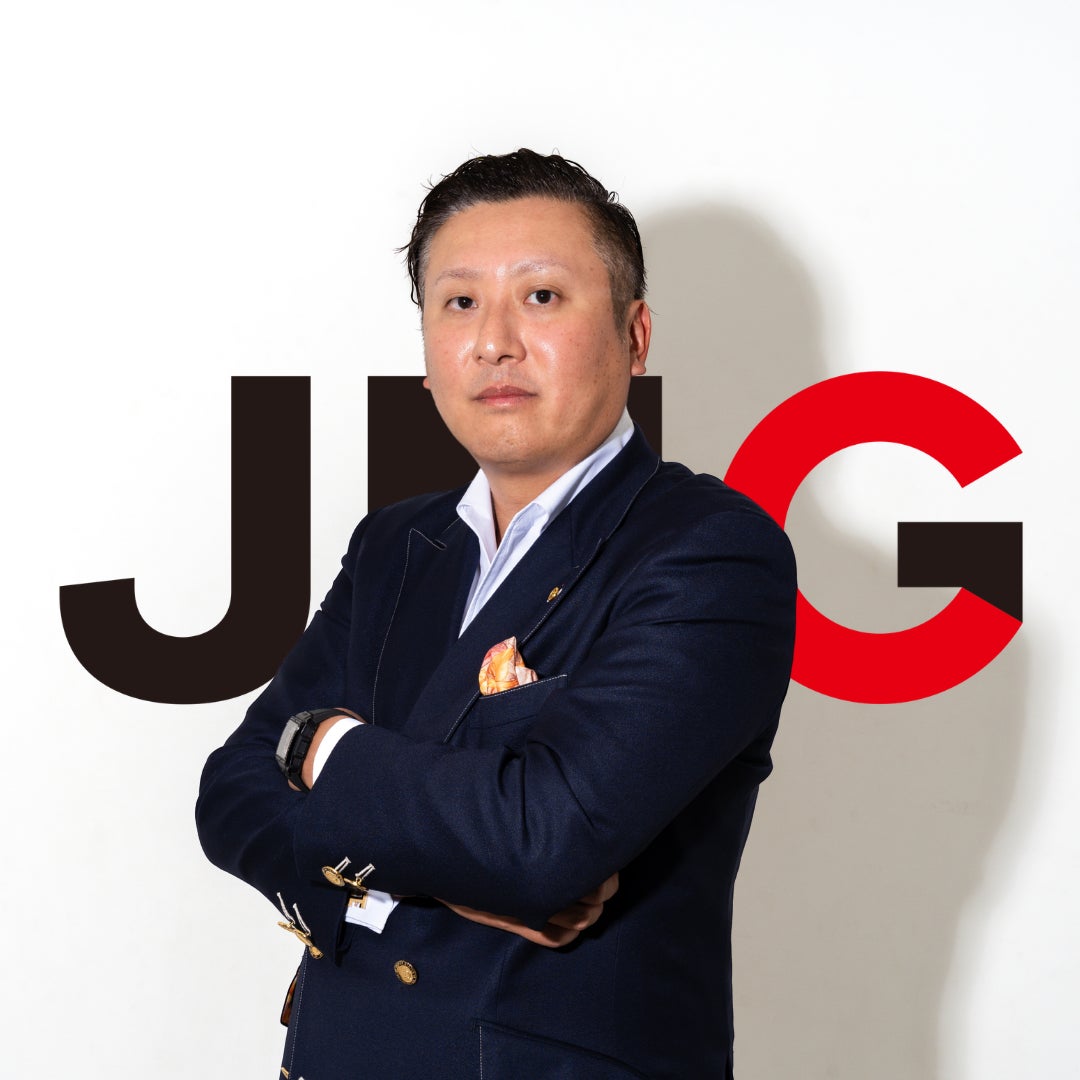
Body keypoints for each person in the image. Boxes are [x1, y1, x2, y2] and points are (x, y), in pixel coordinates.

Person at [197, 148, 797, 1079]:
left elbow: (540, 843)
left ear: (635, 335)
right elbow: (232, 794)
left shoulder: (707, 551)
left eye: (542, 296)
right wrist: (440, 870)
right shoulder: (397, 544)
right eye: (459, 302)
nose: (494, 342)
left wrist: (318, 746)